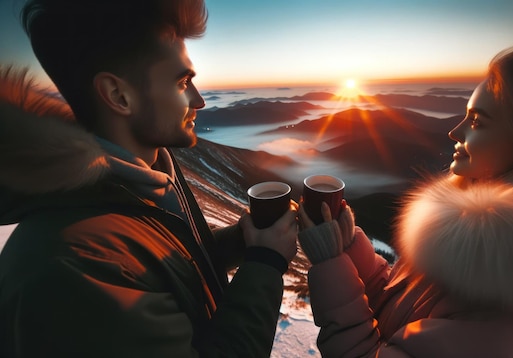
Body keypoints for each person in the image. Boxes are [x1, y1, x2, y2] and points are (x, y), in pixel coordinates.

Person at [0, 0, 298, 357]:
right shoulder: (71, 269)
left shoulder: (144, 175)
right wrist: (265, 264)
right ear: (118, 96)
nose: (199, 100)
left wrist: (243, 241)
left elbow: (155, 269)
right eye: (182, 81)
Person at [297, 42, 513, 357]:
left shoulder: (507, 324)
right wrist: (347, 248)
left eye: (478, 121)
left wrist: (329, 263)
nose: (455, 132)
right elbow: (398, 305)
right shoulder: (479, 242)